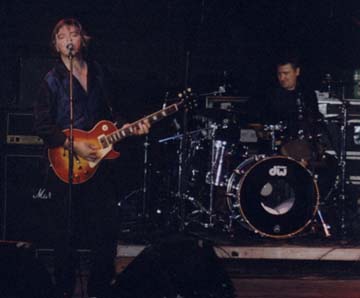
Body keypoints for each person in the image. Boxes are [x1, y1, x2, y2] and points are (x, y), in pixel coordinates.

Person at [33, 18, 150, 298]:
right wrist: (73, 145)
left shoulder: (100, 73)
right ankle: (63, 289)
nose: (69, 39)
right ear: (57, 45)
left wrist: (131, 128)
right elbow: (41, 125)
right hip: (66, 163)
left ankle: (100, 288)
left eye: (74, 34)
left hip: (100, 164)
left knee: (106, 229)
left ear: (83, 39)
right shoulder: (51, 80)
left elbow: (112, 116)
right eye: (62, 36)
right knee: (66, 232)